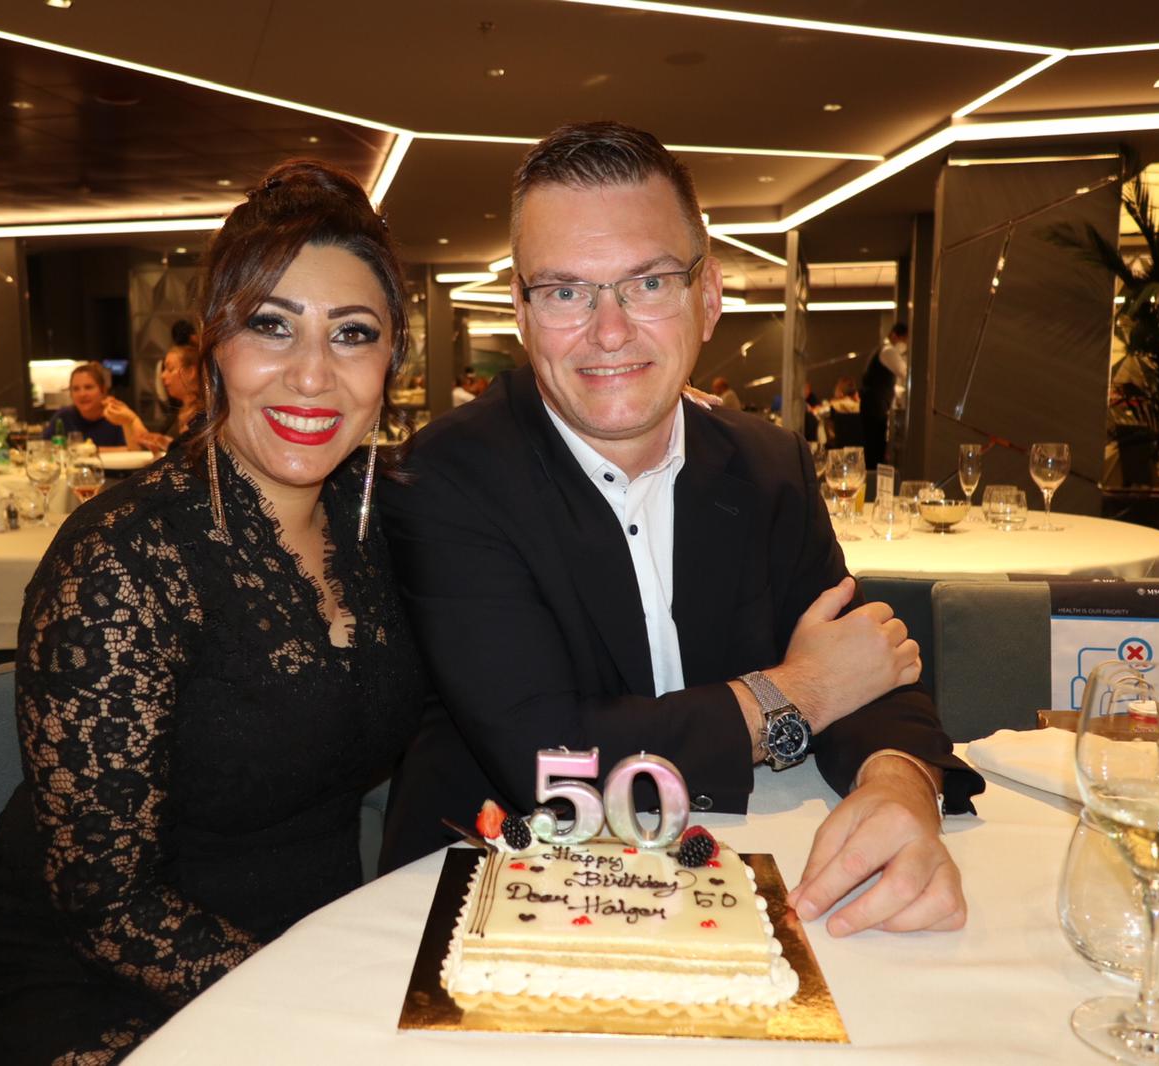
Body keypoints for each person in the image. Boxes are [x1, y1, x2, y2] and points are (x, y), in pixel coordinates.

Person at [378, 122, 982, 940]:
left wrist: (898, 784)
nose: (610, 330)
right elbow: (553, 759)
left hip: (730, 884)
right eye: (564, 292)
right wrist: (797, 693)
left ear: (708, 297)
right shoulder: (446, 477)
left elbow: (864, 669)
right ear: (520, 311)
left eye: (649, 282)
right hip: (493, 895)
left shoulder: (768, 463)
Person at [0, 160, 424, 1065]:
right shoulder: (124, 559)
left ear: (390, 362)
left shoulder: (379, 530)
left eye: (353, 334)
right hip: (85, 986)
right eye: (271, 325)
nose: (313, 374)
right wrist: (320, 1000)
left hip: (309, 951)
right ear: (215, 346)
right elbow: (106, 906)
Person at [43, 362, 152, 450]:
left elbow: (136, 450)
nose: (82, 394)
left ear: (103, 390)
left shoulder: (117, 414)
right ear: (70, 394)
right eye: (75, 389)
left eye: (88, 387)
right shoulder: (63, 416)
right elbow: (45, 448)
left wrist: (89, 450)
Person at [859, 322, 909, 470]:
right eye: (905, 340)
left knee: (874, 447)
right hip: (875, 407)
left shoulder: (882, 350)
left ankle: (873, 477)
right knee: (876, 449)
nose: (905, 345)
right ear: (894, 336)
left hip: (872, 405)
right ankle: (874, 479)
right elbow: (905, 372)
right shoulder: (888, 351)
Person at [159, 327, 205, 439]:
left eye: (170, 369)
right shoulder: (176, 413)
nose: (162, 376)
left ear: (190, 372)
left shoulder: (205, 415)